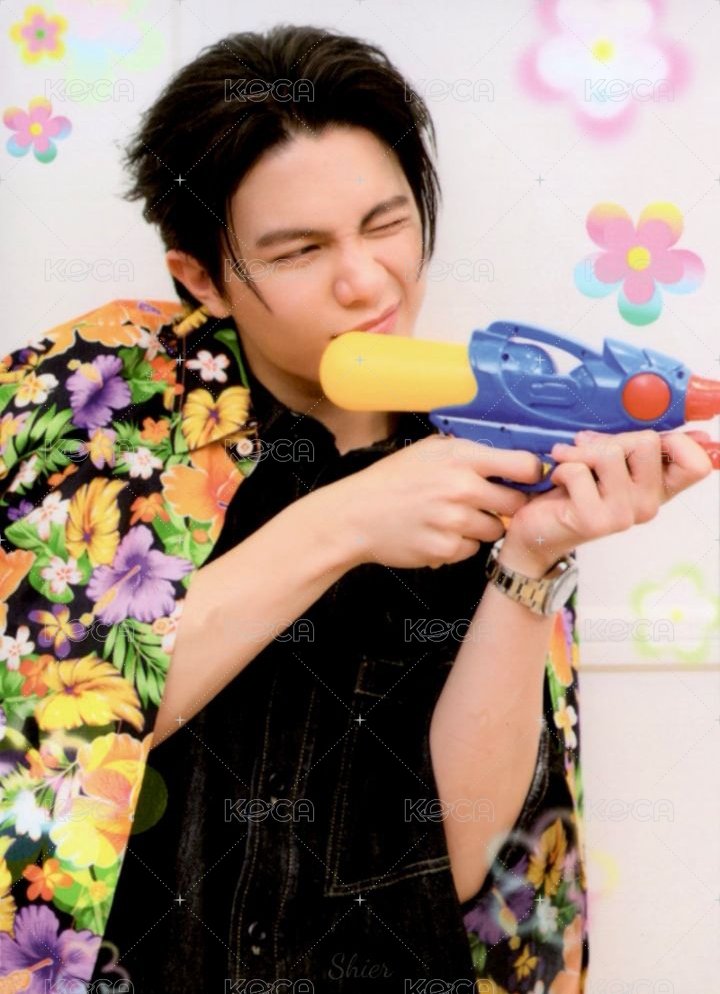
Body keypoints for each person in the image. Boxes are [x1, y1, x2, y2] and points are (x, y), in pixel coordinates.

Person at [0, 23, 713, 994]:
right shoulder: (93, 407)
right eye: (300, 250)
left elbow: (469, 872)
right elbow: (43, 732)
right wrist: (345, 521)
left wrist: (531, 560)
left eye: (387, 224)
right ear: (202, 276)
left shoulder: (491, 445)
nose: (367, 281)